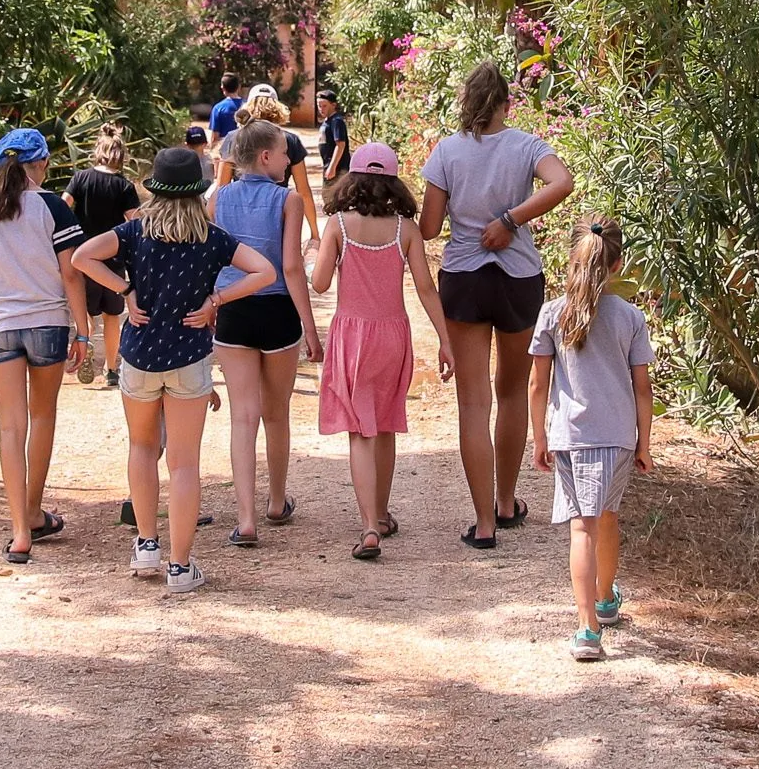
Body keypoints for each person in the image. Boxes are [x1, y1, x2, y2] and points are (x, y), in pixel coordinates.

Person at [72, 146, 276, 593]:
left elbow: (81, 257)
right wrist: (216, 300)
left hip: (139, 355)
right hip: (189, 358)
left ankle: (146, 545)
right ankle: (181, 567)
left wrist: (125, 290)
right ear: (198, 191)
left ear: (155, 189)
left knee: (142, 448)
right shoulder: (213, 238)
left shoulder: (133, 232)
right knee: (184, 464)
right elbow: (264, 271)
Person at [420, 61, 575, 550]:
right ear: (508, 103)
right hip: (518, 278)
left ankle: (484, 524)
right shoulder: (528, 146)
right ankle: (507, 503)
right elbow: (563, 183)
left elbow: (429, 228)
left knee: (473, 403)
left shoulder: (446, 151)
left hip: (464, 279)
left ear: (466, 102)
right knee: (511, 393)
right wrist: (511, 220)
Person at [312, 142, 453, 561]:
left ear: (351, 180)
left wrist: (315, 254)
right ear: (394, 183)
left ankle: (369, 526)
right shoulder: (405, 229)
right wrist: (445, 341)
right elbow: (426, 288)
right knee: (387, 422)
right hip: (393, 335)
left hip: (352, 336)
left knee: (360, 431)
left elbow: (319, 283)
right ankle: (382, 512)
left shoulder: (338, 225)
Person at [0, 128, 90, 564]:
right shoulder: (53, 207)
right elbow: (71, 273)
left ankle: (19, 532)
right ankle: (34, 511)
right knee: (43, 414)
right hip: (47, 323)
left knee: (10, 427)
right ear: (42, 163)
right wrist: (83, 329)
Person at [530, 220, 654, 660]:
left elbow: (537, 384)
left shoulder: (552, 313)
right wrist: (644, 443)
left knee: (581, 527)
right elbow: (643, 387)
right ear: (618, 264)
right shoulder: (630, 317)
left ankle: (587, 630)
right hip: (618, 436)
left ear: (572, 259)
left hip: (571, 436)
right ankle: (604, 601)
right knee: (607, 516)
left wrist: (539, 436)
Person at [207, 119, 320, 543]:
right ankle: (275, 501)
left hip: (233, 309)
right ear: (266, 156)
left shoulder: (218, 198)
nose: (290, 160)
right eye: (285, 153)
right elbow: (291, 267)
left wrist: (210, 303)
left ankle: (246, 519)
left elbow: (211, 259)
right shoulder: (288, 200)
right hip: (277, 312)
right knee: (277, 413)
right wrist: (310, 329)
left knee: (243, 416)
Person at [65, 125, 141, 388]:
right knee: (112, 316)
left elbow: (63, 205)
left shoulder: (80, 178)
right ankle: (111, 369)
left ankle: (86, 340)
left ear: (98, 151)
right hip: (112, 261)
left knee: (86, 311)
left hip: (82, 258)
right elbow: (135, 222)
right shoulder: (124, 186)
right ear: (121, 155)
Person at [230, 85, 319, 239]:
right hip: (277, 215)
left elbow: (222, 185)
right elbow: (303, 190)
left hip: (241, 216)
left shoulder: (235, 138)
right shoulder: (289, 140)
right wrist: (315, 233)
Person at [317, 85, 350, 185]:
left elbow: (340, 145)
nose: (321, 109)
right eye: (319, 106)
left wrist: (332, 167)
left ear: (333, 105)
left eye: (324, 106)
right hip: (328, 165)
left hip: (339, 169)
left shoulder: (336, 121)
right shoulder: (327, 121)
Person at [208, 72, 243, 147]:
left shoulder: (218, 108)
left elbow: (215, 137)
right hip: (244, 148)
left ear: (222, 87)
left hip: (225, 149)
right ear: (239, 87)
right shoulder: (248, 106)